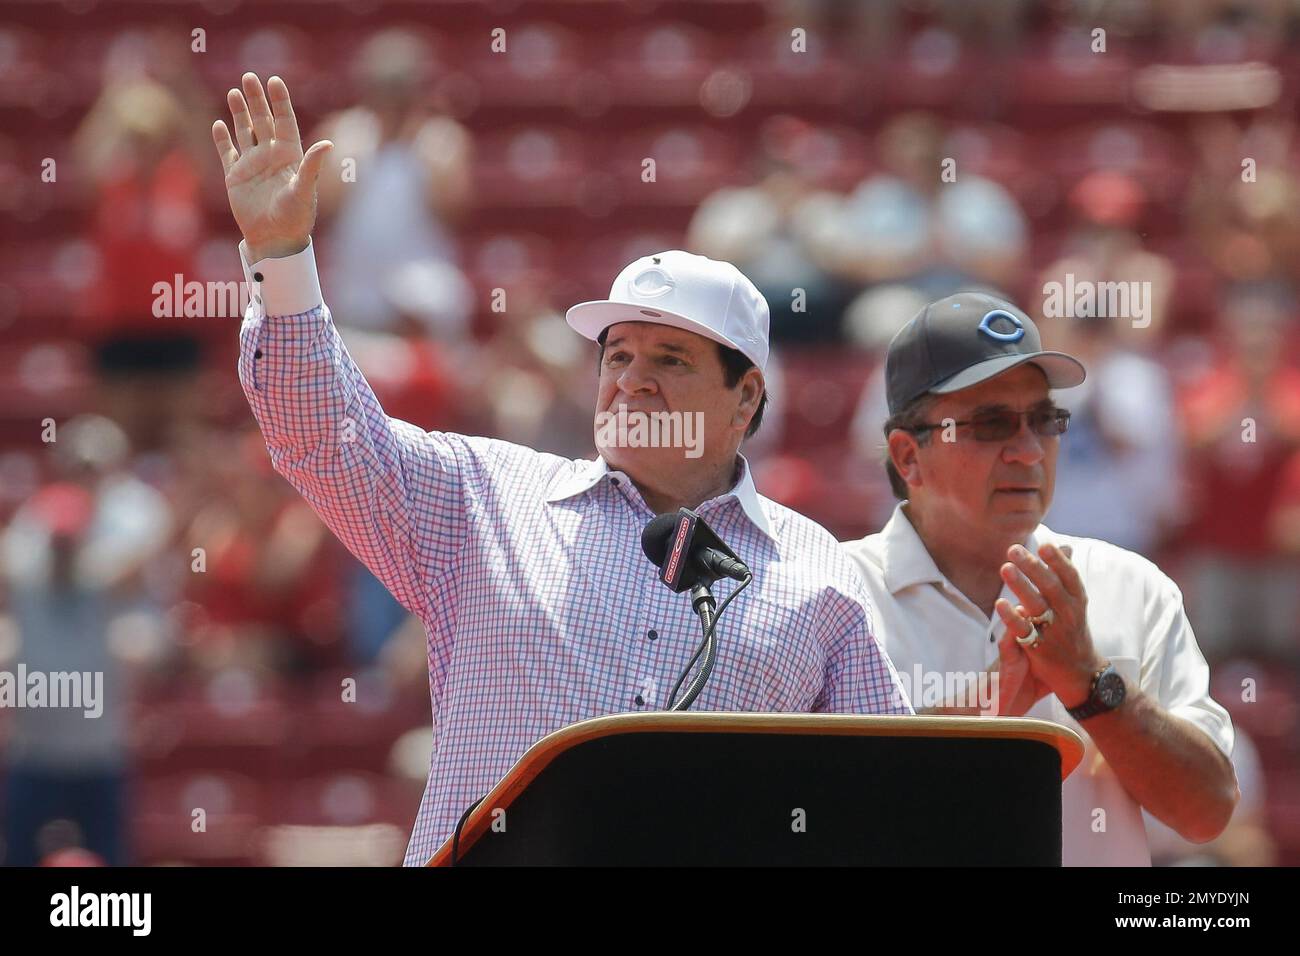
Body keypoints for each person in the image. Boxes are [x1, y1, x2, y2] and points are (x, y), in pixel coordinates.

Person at [210, 73, 910, 867]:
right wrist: (281, 257)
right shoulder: (484, 496)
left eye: (670, 359)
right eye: (618, 354)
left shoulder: (820, 572)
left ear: (745, 397)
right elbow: (318, 434)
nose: (631, 379)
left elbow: (884, 808)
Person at [841, 292, 1238, 866]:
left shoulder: (1132, 585)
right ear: (908, 457)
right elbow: (814, 818)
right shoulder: (832, 592)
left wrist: (1092, 684)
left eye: (1045, 420)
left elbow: (1207, 812)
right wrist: (987, 705)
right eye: (992, 423)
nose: (1029, 452)